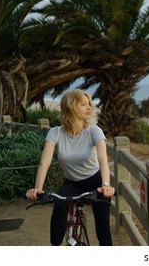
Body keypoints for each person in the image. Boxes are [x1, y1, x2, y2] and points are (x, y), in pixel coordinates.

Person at [26, 89, 115, 246]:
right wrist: (37, 189)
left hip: (96, 182)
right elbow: (44, 162)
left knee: (103, 230)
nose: (89, 107)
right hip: (72, 183)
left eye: (89, 104)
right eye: (83, 104)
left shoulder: (94, 130)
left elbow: (102, 159)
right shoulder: (56, 133)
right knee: (59, 208)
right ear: (71, 107)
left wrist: (106, 186)